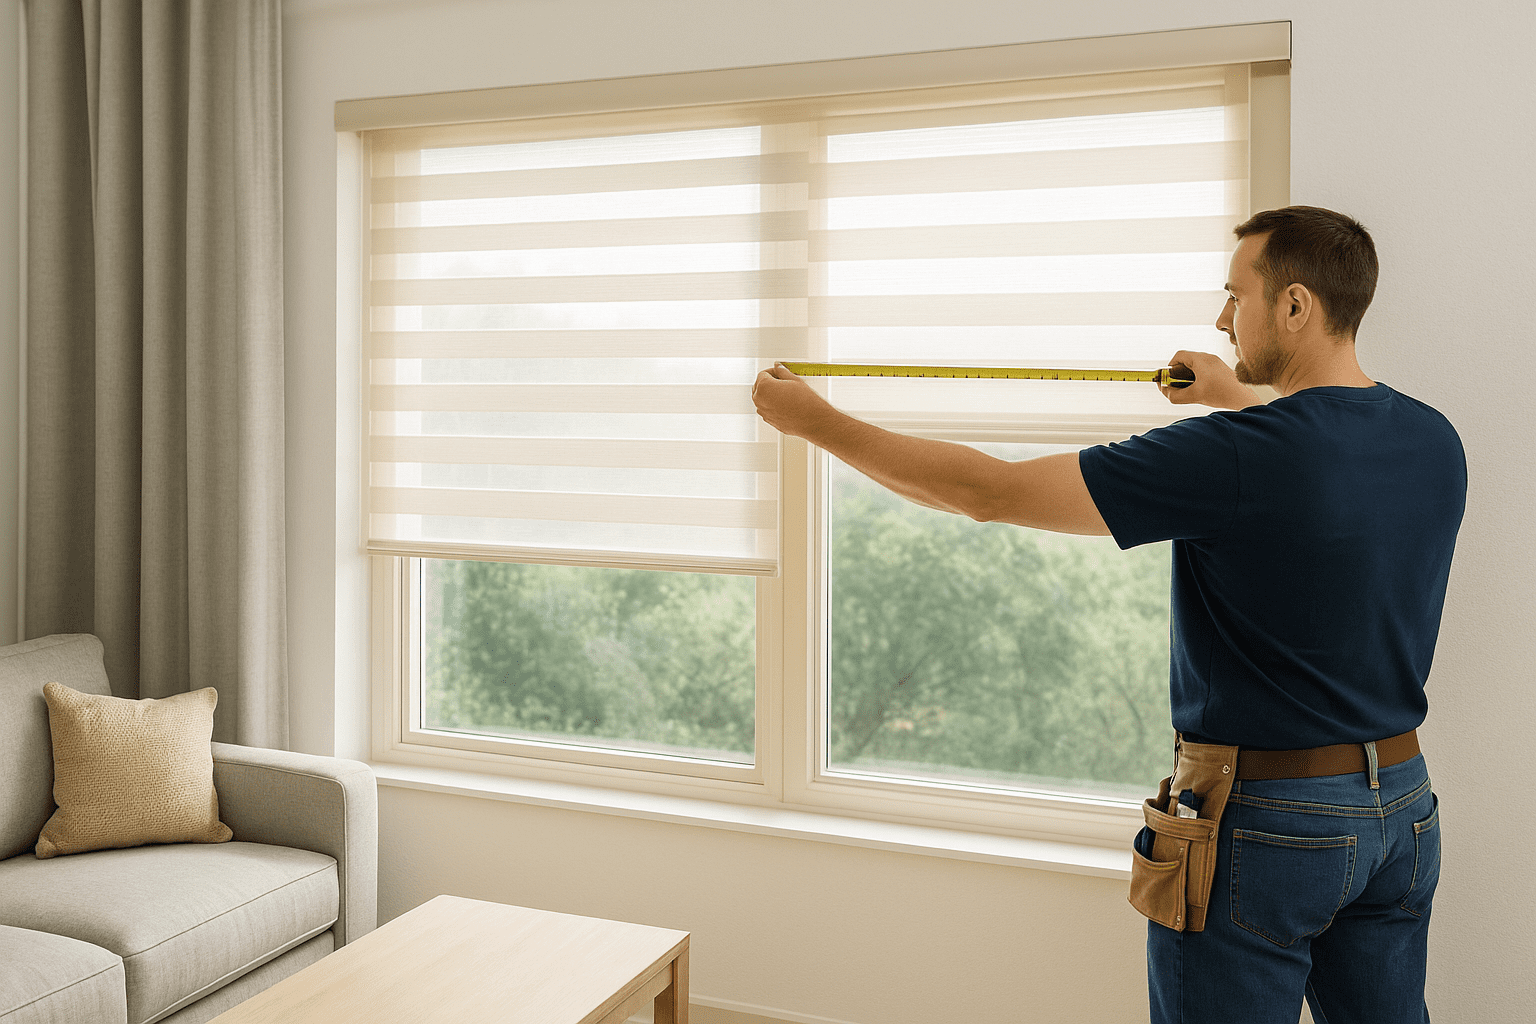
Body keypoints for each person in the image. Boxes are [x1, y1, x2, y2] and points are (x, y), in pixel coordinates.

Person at [751, 206, 1465, 1024]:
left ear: (1296, 306)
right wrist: (1235, 396)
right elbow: (1315, 474)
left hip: (1267, 824)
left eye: (1237, 296)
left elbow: (992, 493)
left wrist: (816, 423)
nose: (1222, 317)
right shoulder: (1431, 440)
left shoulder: (1234, 458)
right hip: (1401, 810)